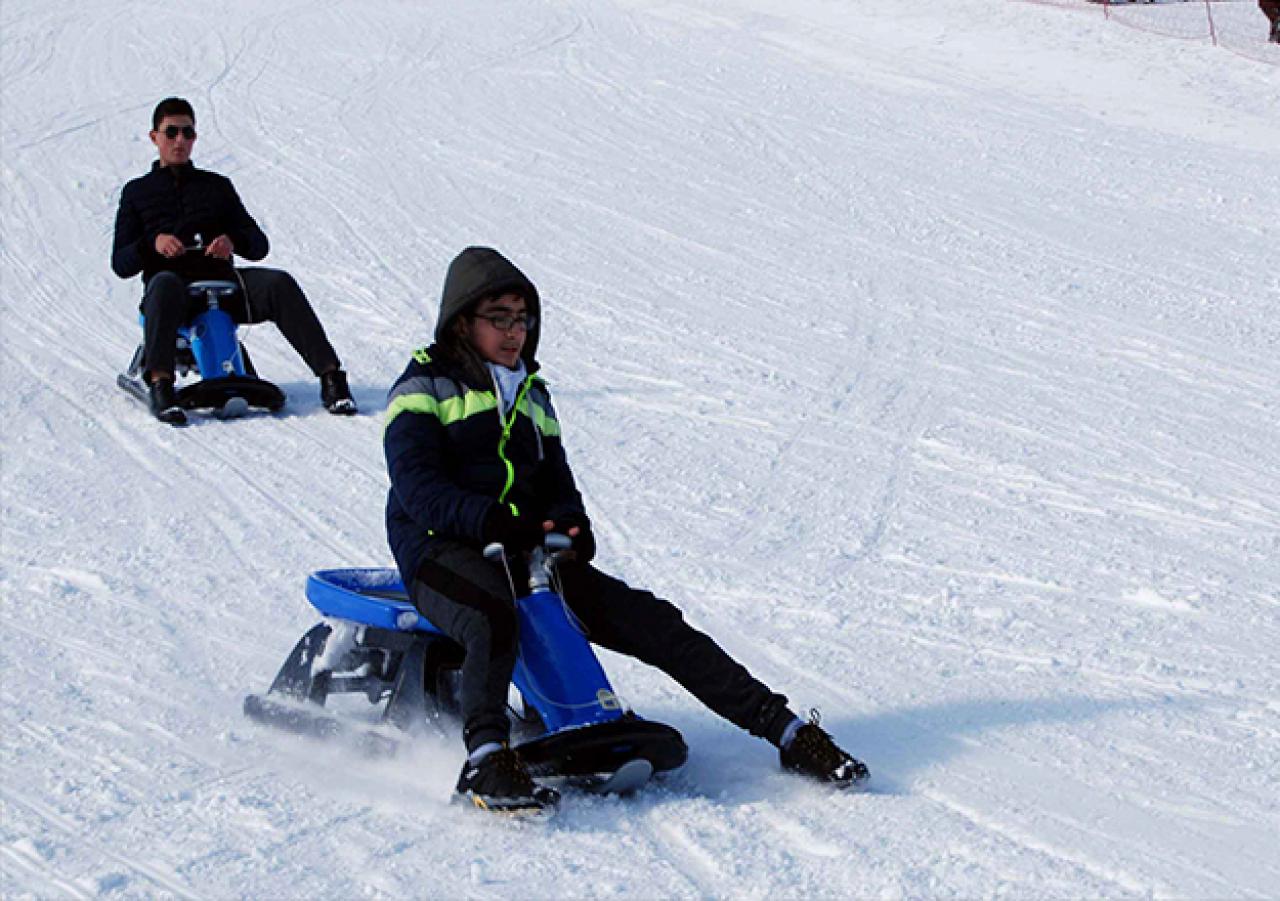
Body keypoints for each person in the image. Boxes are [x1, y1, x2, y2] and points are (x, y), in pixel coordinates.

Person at [384, 246, 869, 814]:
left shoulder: (532, 393)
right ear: (462, 321)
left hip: (522, 551)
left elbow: (556, 480)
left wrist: (570, 524)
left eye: (522, 318)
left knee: (651, 619)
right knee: (494, 616)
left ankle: (787, 732)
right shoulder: (424, 386)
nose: (514, 332)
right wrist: (486, 519)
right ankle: (487, 759)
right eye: (499, 317)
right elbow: (418, 487)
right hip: (440, 551)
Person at [112, 97, 356, 424]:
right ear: (154, 137)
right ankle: (161, 384)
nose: (180, 141)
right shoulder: (136, 193)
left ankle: (331, 379)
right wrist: (152, 243)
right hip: (172, 296)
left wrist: (233, 240)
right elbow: (121, 262)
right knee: (166, 283)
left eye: (187, 133)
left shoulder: (216, 187)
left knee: (277, 283)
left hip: (222, 289)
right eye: (171, 133)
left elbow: (258, 244)